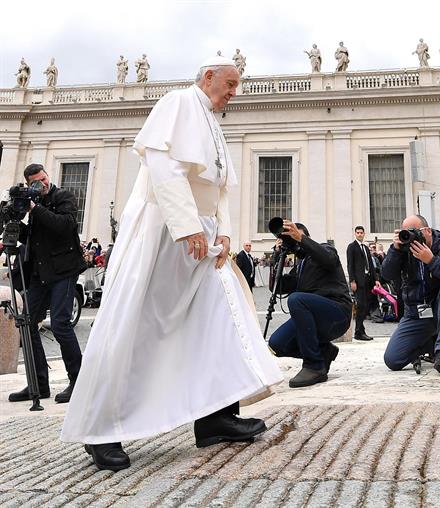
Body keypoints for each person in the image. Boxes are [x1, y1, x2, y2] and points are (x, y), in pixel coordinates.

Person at [60, 56, 283, 471]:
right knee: (135, 325)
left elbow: (219, 189)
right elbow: (163, 165)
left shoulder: (214, 125)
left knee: (219, 320)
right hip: (164, 233)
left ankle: (216, 415)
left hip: (204, 240)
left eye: (238, 85)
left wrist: (225, 232)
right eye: (230, 84)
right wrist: (185, 227)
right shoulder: (177, 102)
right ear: (208, 77)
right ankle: (101, 430)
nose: (235, 92)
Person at [8, 163, 85, 405]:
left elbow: (64, 226)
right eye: (37, 181)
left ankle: (79, 381)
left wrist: (34, 208)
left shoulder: (63, 196)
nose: (43, 183)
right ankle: (38, 384)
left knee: (61, 324)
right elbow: (30, 238)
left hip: (64, 271)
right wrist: (13, 219)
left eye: (44, 178)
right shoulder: (32, 204)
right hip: (40, 274)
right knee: (27, 325)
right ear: (29, 182)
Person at [268, 221, 352, 387]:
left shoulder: (326, 249)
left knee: (296, 299)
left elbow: (329, 259)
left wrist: (300, 239)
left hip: (337, 313)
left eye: (294, 234)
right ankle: (323, 351)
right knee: (276, 344)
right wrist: (277, 257)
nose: (293, 239)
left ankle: (314, 365)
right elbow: (277, 287)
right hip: (315, 318)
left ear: (305, 236)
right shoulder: (300, 266)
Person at [382, 215, 440, 374]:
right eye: (405, 232)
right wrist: (395, 249)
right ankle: (428, 343)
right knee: (393, 360)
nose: (410, 235)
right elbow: (386, 274)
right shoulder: (403, 251)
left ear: (427, 231)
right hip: (416, 314)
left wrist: (432, 261)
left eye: (414, 231)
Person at [346, 226, 376, 341]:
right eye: (357, 233)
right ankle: (358, 332)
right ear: (355, 234)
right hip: (358, 281)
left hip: (368, 280)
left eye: (361, 233)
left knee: (366, 306)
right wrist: (352, 280)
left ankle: (361, 330)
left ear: (364, 234)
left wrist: (376, 279)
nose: (359, 234)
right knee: (361, 306)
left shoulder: (365, 248)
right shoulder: (352, 247)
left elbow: (371, 265)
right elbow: (350, 265)